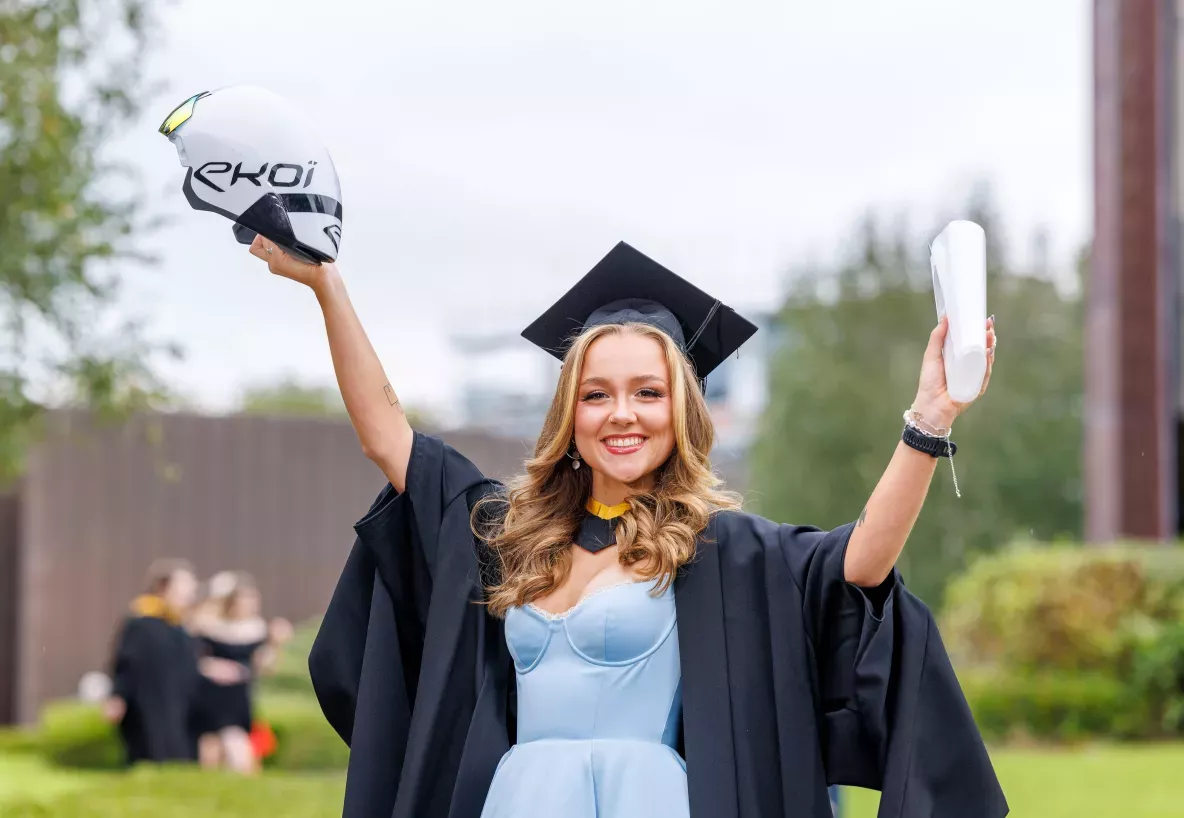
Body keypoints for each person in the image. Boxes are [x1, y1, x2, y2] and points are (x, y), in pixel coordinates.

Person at [249, 237, 1007, 818]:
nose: (622, 413)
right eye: (597, 394)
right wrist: (327, 285)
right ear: (568, 414)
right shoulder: (506, 534)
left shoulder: (721, 549)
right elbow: (388, 436)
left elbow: (863, 562)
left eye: (647, 392)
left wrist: (929, 421)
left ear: (680, 411)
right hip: (520, 798)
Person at [190, 571, 292, 774]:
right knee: (211, 746)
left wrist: (276, 645)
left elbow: (264, 666)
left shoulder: (258, 630)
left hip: (239, 697)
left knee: (235, 742)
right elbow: (193, 658)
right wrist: (213, 666)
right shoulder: (208, 627)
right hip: (212, 695)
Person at [103, 558, 203, 765]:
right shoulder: (141, 622)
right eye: (185, 587)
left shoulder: (181, 625)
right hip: (148, 705)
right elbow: (125, 663)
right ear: (163, 587)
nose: (190, 594)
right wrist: (118, 696)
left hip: (179, 706)